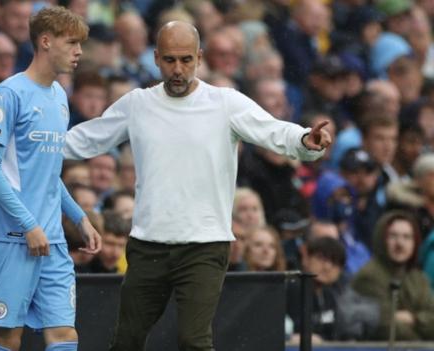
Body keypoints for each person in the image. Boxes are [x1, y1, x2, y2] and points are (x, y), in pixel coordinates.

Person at [64, 20, 332, 351]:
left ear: (200, 58)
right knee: (126, 341)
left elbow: (275, 132)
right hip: (149, 245)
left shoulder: (226, 102)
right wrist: (36, 147)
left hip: (206, 245)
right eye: (170, 60)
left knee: (194, 341)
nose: (178, 69)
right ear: (156, 57)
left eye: (186, 60)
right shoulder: (137, 103)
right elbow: (86, 139)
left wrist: (306, 139)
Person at [0, 7, 102, 351]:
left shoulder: (60, 97)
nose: (79, 51)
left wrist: (79, 217)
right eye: (72, 42)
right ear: (46, 41)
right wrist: (28, 224)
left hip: (52, 238)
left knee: (64, 334)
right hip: (12, 236)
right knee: (7, 336)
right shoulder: (7, 95)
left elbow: (48, 174)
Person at [351, 210, 434, 340]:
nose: (400, 243)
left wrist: (414, 319)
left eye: (407, 237)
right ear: (382, 239)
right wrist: (421, 344)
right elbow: (386, 327)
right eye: (393, 236)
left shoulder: (418, 277)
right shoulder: (369, 276)